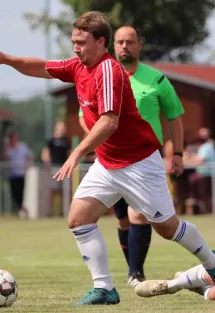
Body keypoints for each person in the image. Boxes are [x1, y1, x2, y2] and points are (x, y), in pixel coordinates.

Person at [0, 11, 215, 306]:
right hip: (108, 163)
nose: (75, 48)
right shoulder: (78, 66)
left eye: (81, 42)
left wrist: (77, 152)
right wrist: (9, 60)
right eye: (73, 42)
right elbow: (41, 67)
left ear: (101, 42)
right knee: (78, 219)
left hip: (139, 163)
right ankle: (104, 288)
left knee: (167, 228)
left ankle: (212, 262)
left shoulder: (108, 71)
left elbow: (109, 122)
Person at [78, 25, 186, 287]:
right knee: (123, 220)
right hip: (110, 159)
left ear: (139, 45)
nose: (124, 47)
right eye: (120, 42)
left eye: (130, 42)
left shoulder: (157, 80)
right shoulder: (101, 75)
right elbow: (84, 117)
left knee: (138, 215)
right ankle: (132, 270)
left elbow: (174, 117)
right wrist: (101, 139)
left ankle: (135, 273)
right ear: (112, 45)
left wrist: (178, 153)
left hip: (143, 159)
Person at [3, 131, 33, 217]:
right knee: (14, 193)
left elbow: (30, 156)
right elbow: (4, 157)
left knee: (21, 193)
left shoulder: (22, 147)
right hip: (12, 175)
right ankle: (22, 209)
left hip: (21, 174)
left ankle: (21, 210)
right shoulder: (9, 149)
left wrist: (28, 165)